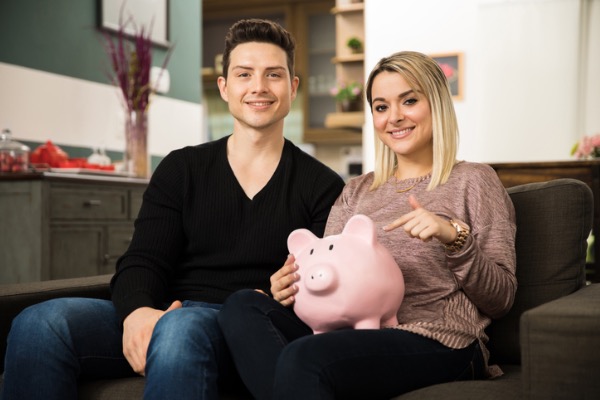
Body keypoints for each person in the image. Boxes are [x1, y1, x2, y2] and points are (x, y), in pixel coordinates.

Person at [1, 19, 344, 400]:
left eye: (274, 75)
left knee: (181, 328)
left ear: (293, 87)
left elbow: (323, 294)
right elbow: (142, 260)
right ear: (224, 87)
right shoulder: (182, 168)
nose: (258, 87)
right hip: (170, 311)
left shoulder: (324, 186)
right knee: (39, 323)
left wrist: (281, 294)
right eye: (244, 74)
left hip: (244, 328)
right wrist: (138, 313)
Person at [218, 50, 517, 400]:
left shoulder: (474, 180)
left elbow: (501, 299)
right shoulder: (356, 191)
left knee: (305, 358)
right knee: (242, 306)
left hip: (439, 337)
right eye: (381, 106)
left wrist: (454, 238)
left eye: (409, 100)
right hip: (347, 335)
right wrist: (290, 288)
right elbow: (326, 276)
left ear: (435, 103)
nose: (395, 117)